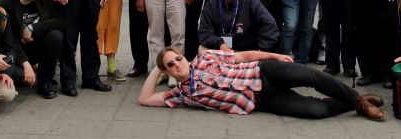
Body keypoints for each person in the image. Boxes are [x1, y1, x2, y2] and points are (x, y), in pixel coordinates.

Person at [138, 47, 386, 121]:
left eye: (177, 58)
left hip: (264, 72)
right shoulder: (182, 94)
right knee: (315, 110)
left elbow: (242, 56)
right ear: (167, 71)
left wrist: (274, 56)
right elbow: (145, 99)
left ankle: (357, 101)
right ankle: (358, 100)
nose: (177, 64)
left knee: (311, 77)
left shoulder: (204, 57)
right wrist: (155, 70)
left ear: (183, 55)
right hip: (259, 101)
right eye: (170, 65)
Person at [0, 0, 65, 99]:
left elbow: (60, 21)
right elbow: (9, 40)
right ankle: (27, 72)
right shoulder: (5, 5)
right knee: (20, 78)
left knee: (56, 36)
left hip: (36, 46)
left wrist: (32, 28)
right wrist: (25, 63)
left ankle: (45, 82)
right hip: (15, 53)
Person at [198, 0, 279, 52]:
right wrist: (220, 43)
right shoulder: (210, 6)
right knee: (201, 49)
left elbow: (270, 25)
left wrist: (262, 48)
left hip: (247, 52)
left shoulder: (250, 1)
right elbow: (204, 34)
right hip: (221, 51)